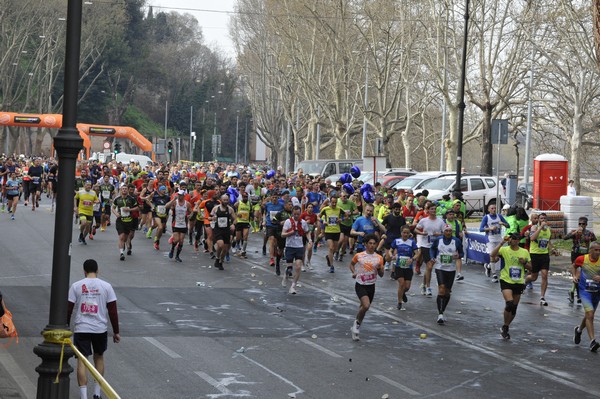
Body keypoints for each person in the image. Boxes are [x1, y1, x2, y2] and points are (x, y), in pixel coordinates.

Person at [68, 259, 120, 399]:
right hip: (99, 329)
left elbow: (69, 309)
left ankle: (84, 396)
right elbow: (113, 311)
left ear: (84, 271)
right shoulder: (106, 286)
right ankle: (96, 393)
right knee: (99, 358)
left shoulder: (76, 286)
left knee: (82, 361)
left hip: (81, 328)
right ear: (97, 270)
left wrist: (66, 327)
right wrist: (116, 331)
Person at [490, 233, 532, 340]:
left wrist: (524, 263)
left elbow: (531, 268)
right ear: (510, 240)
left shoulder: (524, 252)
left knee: (514, 308)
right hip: (506, 279)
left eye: (517, 239)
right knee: (509, 304)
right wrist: (501, 243)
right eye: (513, 239)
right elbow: (492, 254)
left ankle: (506, 326)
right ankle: (505, 323)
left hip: (518, 281)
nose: (515, 241)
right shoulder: (505, 250)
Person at [349, 233, 385, 341]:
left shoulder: (379, 258)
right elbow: (351, 264)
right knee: (366, 305)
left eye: (374, 244)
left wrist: (379, 269)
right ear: (365, 244)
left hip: (371, 286)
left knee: (363, 309)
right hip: (360, 284)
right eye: (370, 243)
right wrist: (354, 272)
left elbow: (382, 274)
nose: (372, 246)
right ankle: (356, 325)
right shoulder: (359, 255)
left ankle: (356, 326)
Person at [430, 224, 464, 324]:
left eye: (450, 231)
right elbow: (432, 248)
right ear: (443, 232)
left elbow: (462, 253)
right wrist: (433, 257)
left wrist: (458, 255)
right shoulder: (439, 240)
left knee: (447, 292)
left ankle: (442, 310)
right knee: (441, 288)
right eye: (446, 231)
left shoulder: (456, 241)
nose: (448, 233)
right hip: (440, 267)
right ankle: (440, 314)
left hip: (451, 269)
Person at [525, 212, 559, 306]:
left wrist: (553, 249)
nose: (543, 220)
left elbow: (548, 242)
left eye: (544, 218)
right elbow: (532, 238)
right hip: (535, 254)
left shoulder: (548, 230)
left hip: (544, 255)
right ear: (538, 220)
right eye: (541, 218)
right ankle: (526, 281)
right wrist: (540, 228)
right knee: (534, 277)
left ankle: (542, 297)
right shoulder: (534, 227)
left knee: (545, 275)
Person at [572, 241, 600, 352]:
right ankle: (592, 341)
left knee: (589, 315)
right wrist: (574, 276)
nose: (598, 252)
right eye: (596, 250)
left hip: (597, 292)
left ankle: (578, 331)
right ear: (590, 250)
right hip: (584, 291)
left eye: (599, 250)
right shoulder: (582, 259)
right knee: (590, 314)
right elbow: (574, 266)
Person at [414, 202, 446, 296]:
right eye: (431, 209)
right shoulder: (424, 221)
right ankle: (428, 287)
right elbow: (416, 229)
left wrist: (439, 235)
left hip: (436, 246)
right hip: (426, 246)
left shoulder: (440, 221)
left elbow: (445, 233)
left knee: (429, 267)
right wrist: (422, 233)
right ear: (428, 210)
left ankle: (424, 284)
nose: (433, 210)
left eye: (434, 209)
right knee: (429, 266)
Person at [388, 226, 420, 310]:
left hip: (408, 266)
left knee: (407, 287)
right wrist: (392, 255)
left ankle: (402, 293)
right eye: (404, 232)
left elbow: (417, 253)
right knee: (401, 284)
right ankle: (399, 302)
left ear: (409, 234)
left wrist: (412, 259)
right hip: (399, 266)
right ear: (401, 233)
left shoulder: (412, 242)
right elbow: (390, 250)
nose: (405, 234)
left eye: (407, 233)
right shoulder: (397, 241)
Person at [281, 205, 311, 294]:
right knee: (289, 268)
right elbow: (283, 234)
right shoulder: (288, 222)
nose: (296, 216)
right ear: (292, 213)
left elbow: (307, 232)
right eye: (295, 214)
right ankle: (285, 275)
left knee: (298, 267)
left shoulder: (303, 223)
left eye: (298, 214)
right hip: (290, 246)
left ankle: (293, 286)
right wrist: (291, 232)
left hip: (299, 247)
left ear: (300, 213)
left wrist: (310, 240)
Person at [479, 203, 509, 283]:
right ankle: (494, 275)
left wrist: (503, 224)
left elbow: (508, 225)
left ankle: (488, 266)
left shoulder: (500, 216)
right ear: (489, 210)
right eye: (492, 208)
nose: (494, 210)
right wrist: (490, 228)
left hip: (498, 238)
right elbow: (481, 229)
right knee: (492, 255)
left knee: (497, 258)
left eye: (495, 208)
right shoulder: (486, 217)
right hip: (490, 239)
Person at [112, 185, 139, 261]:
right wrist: (116, 214)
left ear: (127, 190)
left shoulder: (132, 199)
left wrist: (129, 210)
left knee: (126, 237)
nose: (124, 190)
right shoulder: (117, 199)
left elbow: (137, 208)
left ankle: (124, 244)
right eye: (123, 189)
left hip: (129, 221)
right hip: (120, 220)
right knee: (121, 236)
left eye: (125, 189)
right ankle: (121, 253)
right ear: (120, 190)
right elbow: (113, 208)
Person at [210, 194, 236, 270]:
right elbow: (210, 217)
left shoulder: (230, 209)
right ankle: (217, 258)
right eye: (224, 200)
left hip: (226, 230)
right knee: (220, 245)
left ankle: (220, 261)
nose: (225, 201)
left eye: (227, 200)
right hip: (218, 230)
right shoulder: (216, 208)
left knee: (225, 249)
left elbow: (235, 219)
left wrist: (233, 224)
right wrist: (212, 219)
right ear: (221, 200)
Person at [166, 190, 193, 263]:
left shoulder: (187, 204)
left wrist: (190, 215)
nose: (179, 196)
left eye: (181, 195)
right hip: (175, 223)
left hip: (183, 224)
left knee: (181, 241)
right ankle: (172, 249)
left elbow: (191, 211)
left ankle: (177, 256)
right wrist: (173, 199)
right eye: (178, 195)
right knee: (176, 240)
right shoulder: (175, 202)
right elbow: (166, 206)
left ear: (183, 196)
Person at [320, 195, 342, 273]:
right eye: (332, 202)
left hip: (337, 231)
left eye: (335, 202)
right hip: (328, 231)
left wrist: (340, 220)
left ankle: (329, 257)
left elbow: (346, 216)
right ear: (330, 202)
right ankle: (332, 266)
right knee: (331, 247)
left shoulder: (339, 209)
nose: (334, 204)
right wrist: (323, 222)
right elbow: (319, 217)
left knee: (335, 249)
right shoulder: (325, 209)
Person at [75, 180, 100, 246]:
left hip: (90, 212)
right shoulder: (80, 192)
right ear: (84, 186)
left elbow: (96, 199)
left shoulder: (93, 193)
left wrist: (97, 201)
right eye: (87, 185)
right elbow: (75, 198)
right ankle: (81, 233)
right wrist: (75, 207)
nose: (89, 186)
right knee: (83, 223)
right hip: (82, 210)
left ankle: (83, 238)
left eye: (90, 185)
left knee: (88, 227)